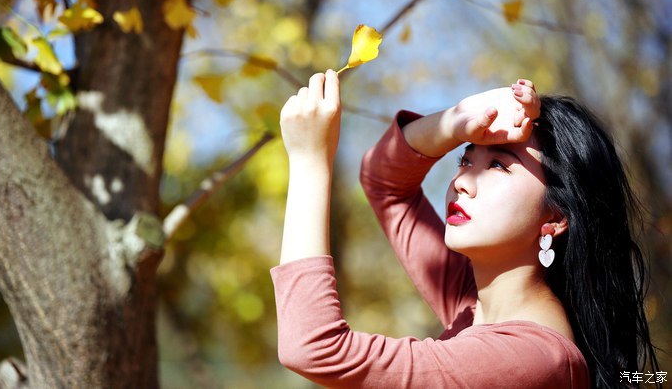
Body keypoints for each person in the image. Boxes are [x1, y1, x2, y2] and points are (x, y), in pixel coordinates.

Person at [272, 69, 660, 388]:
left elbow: (314, 347)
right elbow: (384, 183)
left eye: (497, 166)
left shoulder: (533, 359)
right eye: (465, 157)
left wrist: (308, 160)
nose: (461, 181)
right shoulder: (472, 307)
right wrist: (457, 120)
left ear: (556, 217)